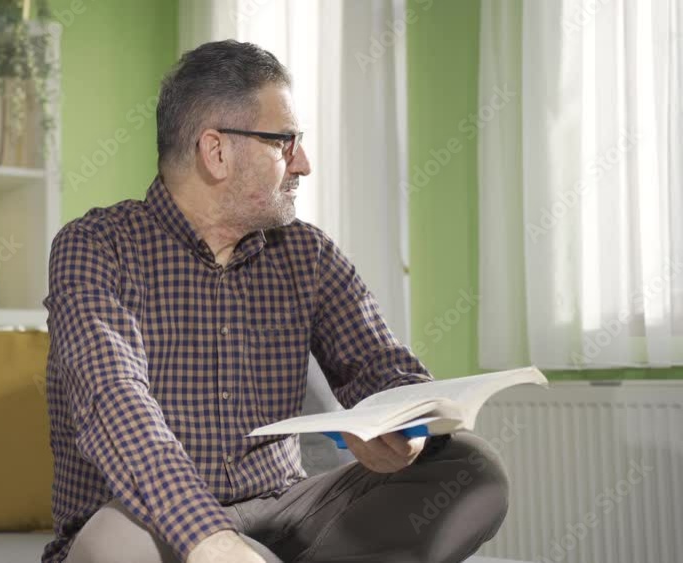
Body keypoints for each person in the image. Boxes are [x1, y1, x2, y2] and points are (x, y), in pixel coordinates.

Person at [42, 40, 508, 563]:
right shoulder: (95, 245)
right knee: (115, 546)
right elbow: (114, 402)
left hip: (285, 511)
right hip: (145, 521)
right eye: (285, 142)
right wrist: (210, 540)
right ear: (216, 151)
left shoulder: (308, 253)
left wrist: (403, 426)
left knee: (470, 468)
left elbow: (383, 366)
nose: (303, 164)